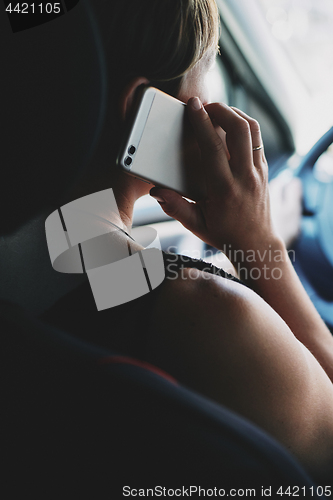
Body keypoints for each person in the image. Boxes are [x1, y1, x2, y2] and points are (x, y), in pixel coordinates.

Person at [8, 0, 333, 484]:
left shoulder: (44, 263)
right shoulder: (207, 317)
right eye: (209, 77)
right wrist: (258, 245)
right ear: (143, 109)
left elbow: (88, 260)